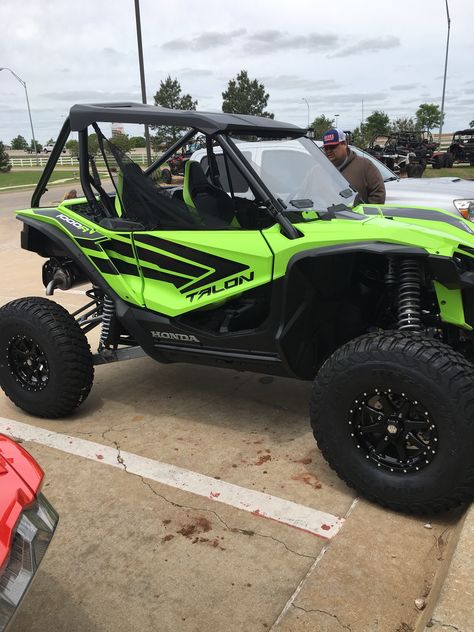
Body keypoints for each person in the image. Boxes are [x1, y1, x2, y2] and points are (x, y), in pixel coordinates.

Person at [322, 128, 386, 204]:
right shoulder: (319, 169)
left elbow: (378, 194)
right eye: (326, 148)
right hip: (328, 215)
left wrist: (364, 214)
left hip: (357, 216)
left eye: (332, 147)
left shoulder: (365, 165)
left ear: (344, 144)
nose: (328, 151)